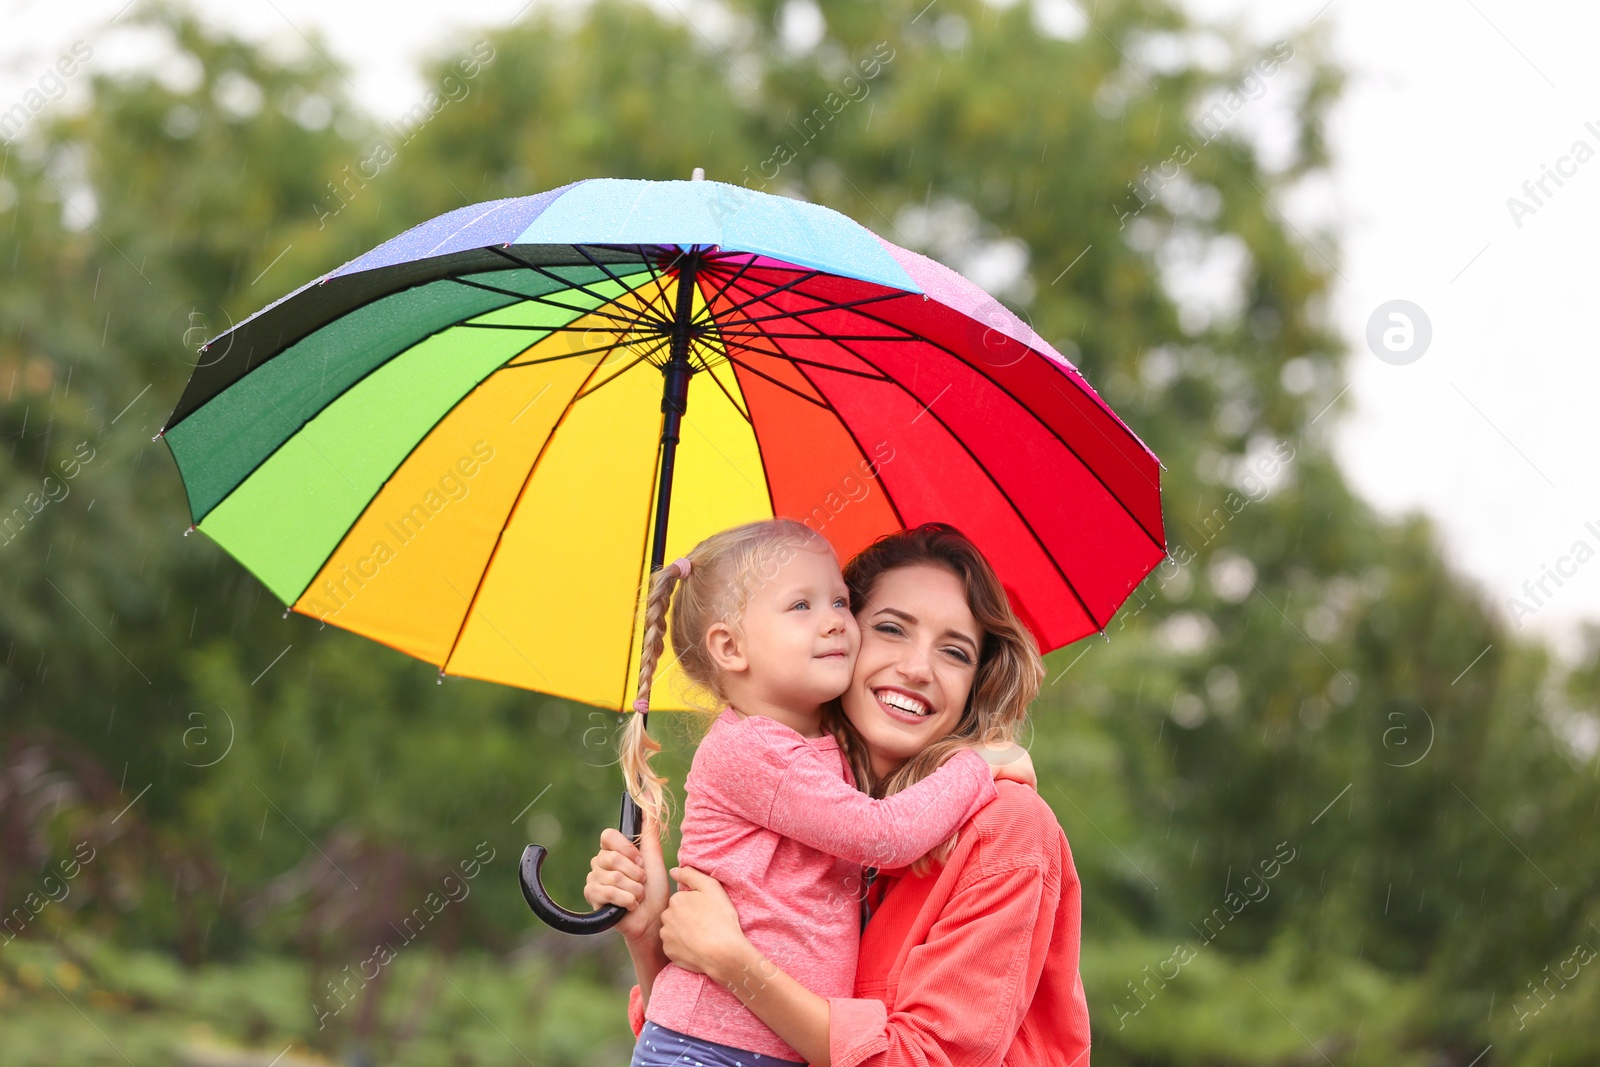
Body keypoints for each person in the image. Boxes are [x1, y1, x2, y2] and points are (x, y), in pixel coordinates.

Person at [587, 523, 1091, 1067]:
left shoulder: (1006, 825)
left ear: (977, 682)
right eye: (893, 629)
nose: (918, 668)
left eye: (955, 652)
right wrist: (648, 935)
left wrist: (737, 964)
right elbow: (714, 1029)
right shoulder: (816, 790)